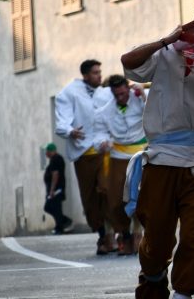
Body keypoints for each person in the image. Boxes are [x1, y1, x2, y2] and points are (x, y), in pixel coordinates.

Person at [121, 7, 194, 299]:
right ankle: (154, 278)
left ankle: (184, 293)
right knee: (157, 234)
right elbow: (128, 62)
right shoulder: (166, 54)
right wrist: (165, 41)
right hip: (162, 157)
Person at [54, 59, 115, 254]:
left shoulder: (104, 93)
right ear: (86, 75)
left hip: (104, 152)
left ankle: (112, 234)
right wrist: (70, 131)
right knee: (90, 198)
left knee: (107, 191)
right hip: (84, 154)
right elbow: (61, 121)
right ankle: (101, 234)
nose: (99, 75)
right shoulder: (69, 93)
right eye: (95, 72)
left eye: (100, 71)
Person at [95, 75, 147, 255]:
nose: (121, 98)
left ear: (128, 89)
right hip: (118, 155)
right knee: (116, 198)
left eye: (123, 93)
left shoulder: (141, 100)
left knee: (143, 195)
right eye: (117, 95)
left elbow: (157, 112)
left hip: (141, 152)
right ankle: (124, 233)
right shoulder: (105, 111)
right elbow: (99, 133)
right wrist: (102, 143)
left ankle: (139, 232)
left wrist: (144, 96)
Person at [43, 143, 73, 235]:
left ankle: (61, 226)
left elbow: (55, 174)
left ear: (51, 151)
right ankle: (62, 223)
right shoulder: (55, 159)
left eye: (47, 151)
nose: (46, 153)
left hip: (56, 190)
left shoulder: (56, 159)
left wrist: (52, 190)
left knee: (52, 207)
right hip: (55, 190)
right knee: (53, 208)